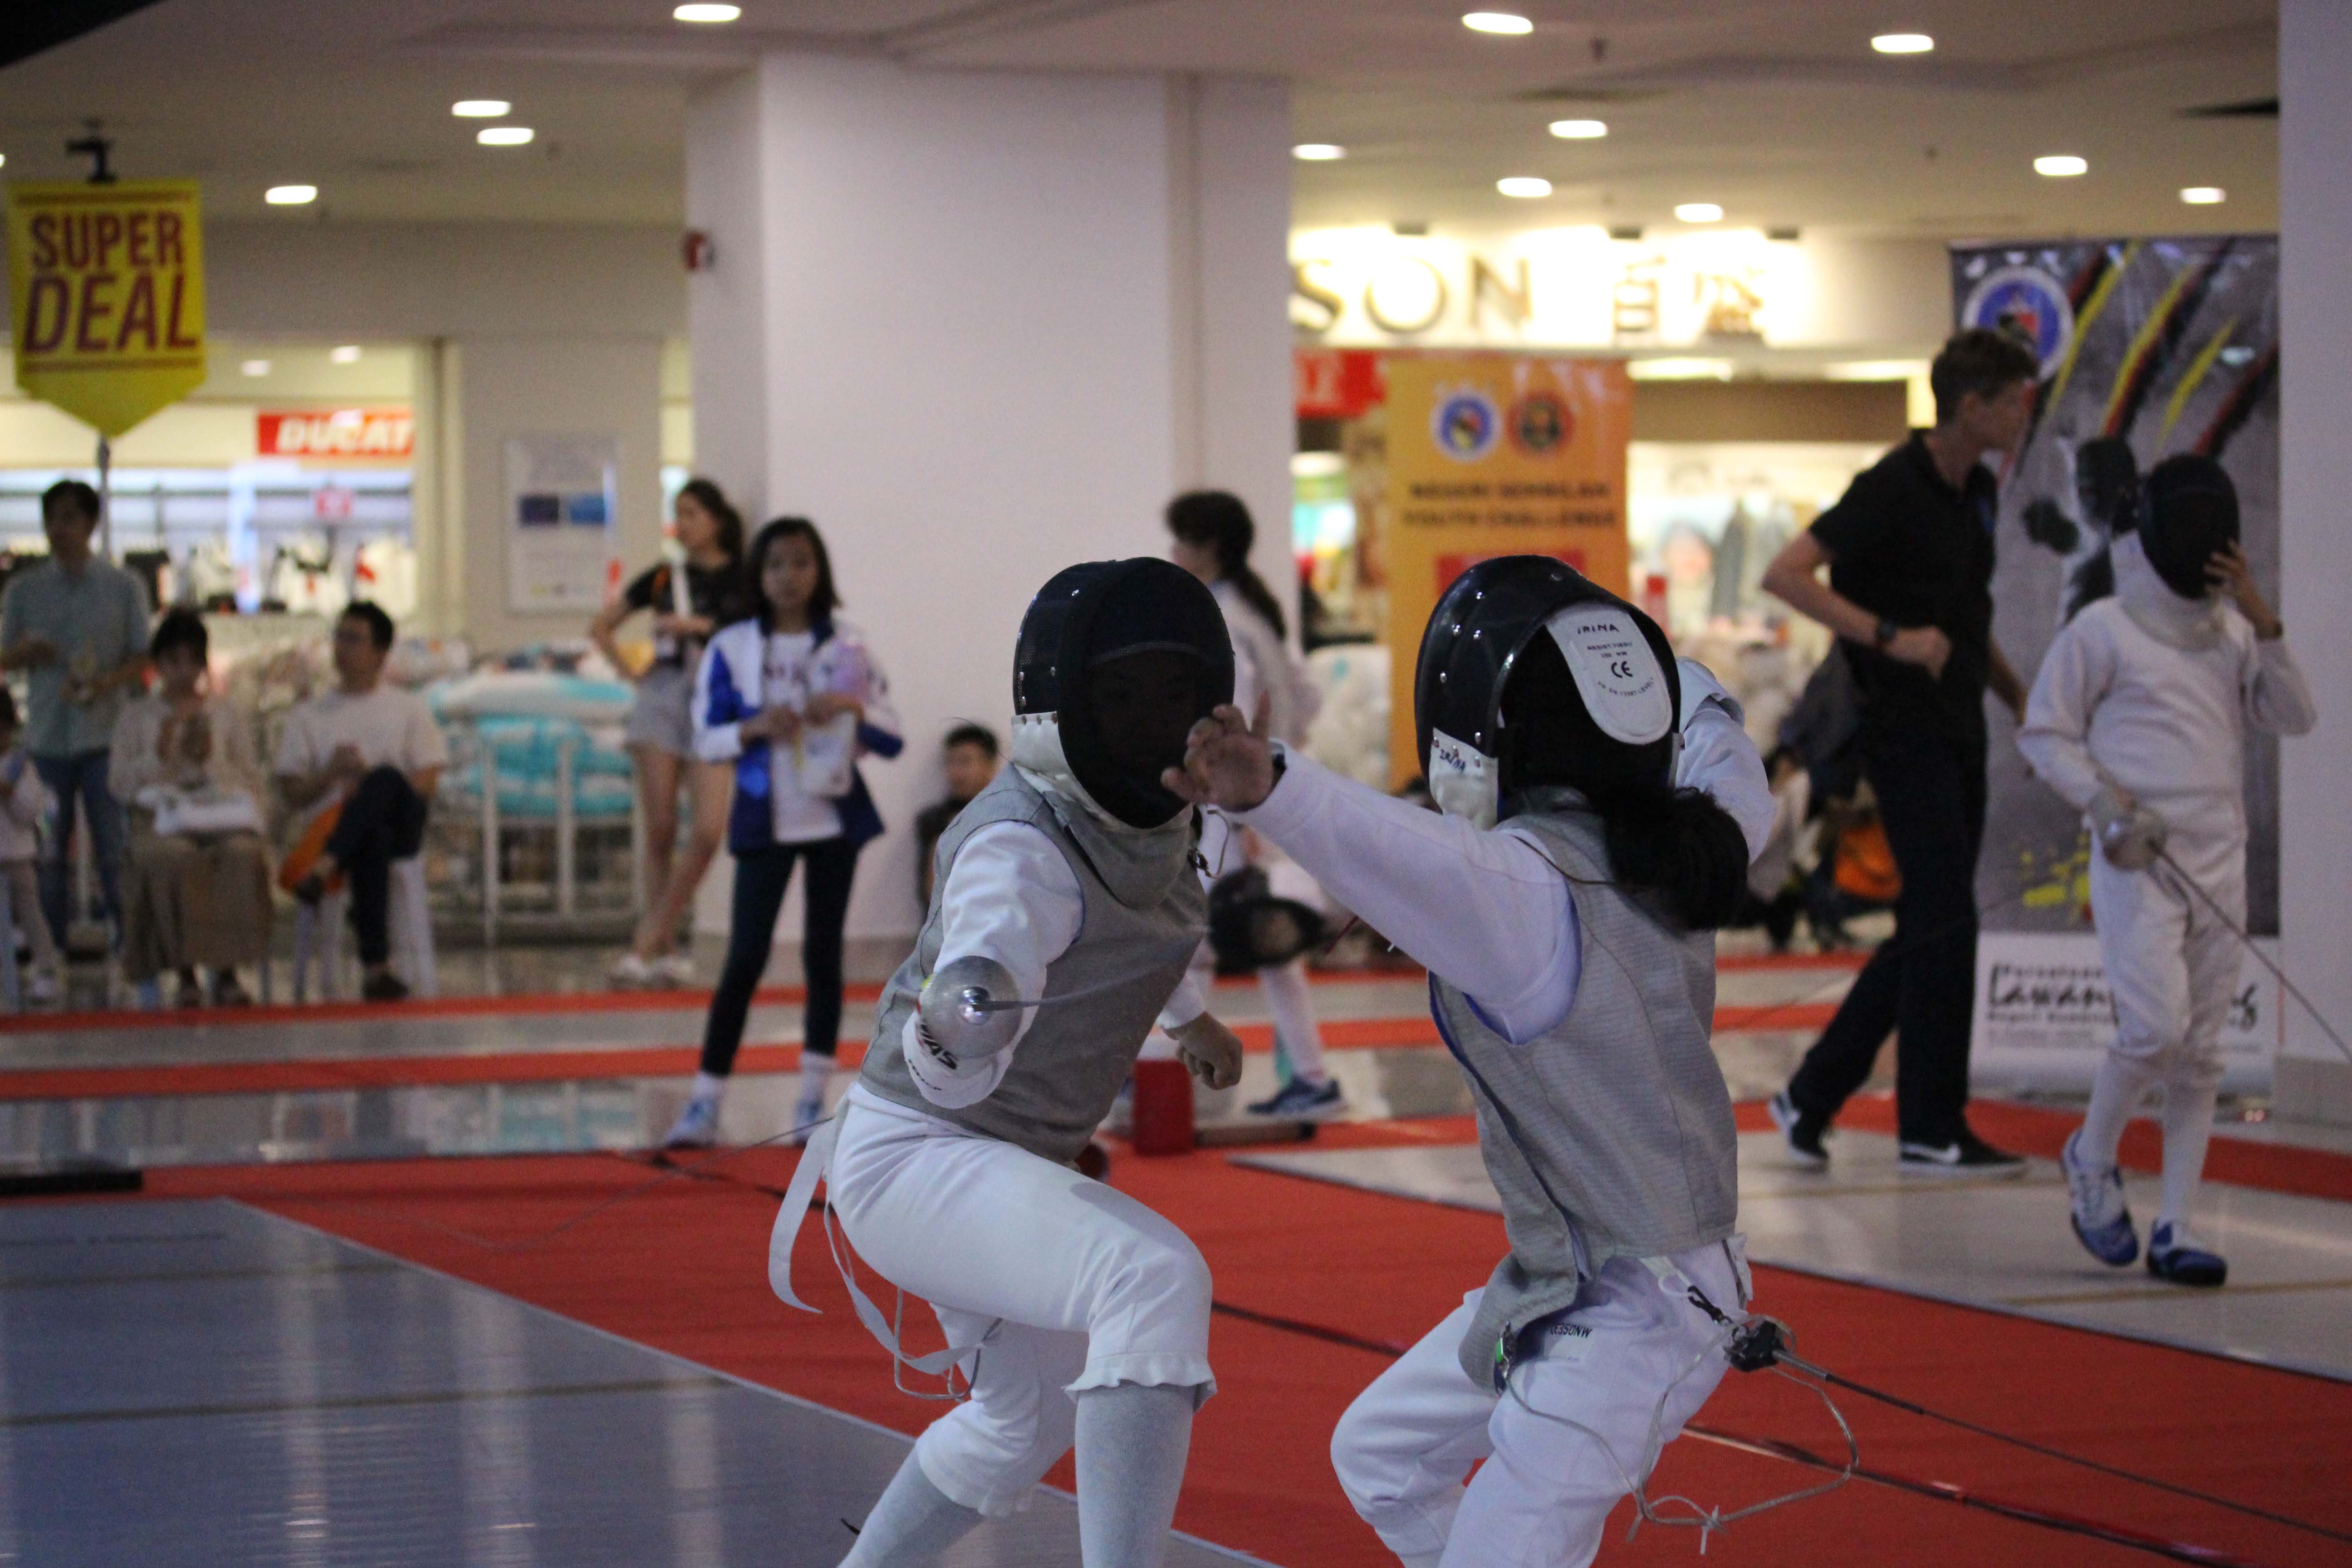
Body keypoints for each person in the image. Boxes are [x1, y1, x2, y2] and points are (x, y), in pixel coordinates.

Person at [1162, 558, 1766, 1568]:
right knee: (1381, 1455)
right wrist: (1680, 684)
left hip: (1642, 1308)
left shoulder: (1528, 888)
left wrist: (1270, 788)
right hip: (1567, 1276)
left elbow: (1405, 855)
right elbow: (1721, 744)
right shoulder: (1692, 835)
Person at [771, 556, 1248, 1568]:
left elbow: (1126, 923)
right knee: (1150, 1278)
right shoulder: (1018, 847)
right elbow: (993, 952)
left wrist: (1188, 1020)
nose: (1154, 720)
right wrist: (963, 1012)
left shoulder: (1154, 822)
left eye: (1172, 693)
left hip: (992, 1158)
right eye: (1125, 698)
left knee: (1019, 1420)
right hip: (918, 1157)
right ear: (1066, 707)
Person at [2019, 456, 2315, 1288]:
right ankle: (2090, 1155)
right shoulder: (2103, 629)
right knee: (2155, 1029)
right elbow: (2044, 732)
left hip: (2220, 857)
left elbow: (2295, 715)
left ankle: (2178, 1227)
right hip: (2135, 856)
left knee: (2201, 1054)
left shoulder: (2232, 634)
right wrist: (2102, 802)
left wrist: (2263, 619)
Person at [1761, 327, 2038, 1176]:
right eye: (2014, 400)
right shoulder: (1889, 486)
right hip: (1899, 728)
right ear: (1970, 405)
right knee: (1945, 919)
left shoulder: (1977, 491)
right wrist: (1888, 635)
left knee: (1933, 920)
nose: (2024, 415)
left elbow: (1967, 617)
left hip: (1960, 726)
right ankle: (1928, 1123)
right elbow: (1786, 575)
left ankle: (1812, 1094)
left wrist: (2019, 698)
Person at [663, 517, 902, 1149]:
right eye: (775, 565)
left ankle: (812, 1101)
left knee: (824, 957)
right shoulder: (732, 645)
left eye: (800, 563)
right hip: (764, 817)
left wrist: (850, 708)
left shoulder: (849, 645)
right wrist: (752, 728)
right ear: (758, 574)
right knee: (744, 958)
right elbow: (706, 738)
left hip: (833, 818)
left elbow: (891, 735)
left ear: (819, 571)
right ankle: (704, 1102)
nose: (788, 577)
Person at [1166, 489, 1341, 1118]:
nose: (1174, 552)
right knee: (1264, 942)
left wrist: (1241, 812)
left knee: (1201, 939)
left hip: (1237, 806)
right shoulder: (1254, 612)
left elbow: (1231, 723)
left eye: (1182, 540)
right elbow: (1306, 697)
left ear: (1209, 547)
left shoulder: (1225, 619)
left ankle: (1170, 1074)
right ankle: (1310, 1077)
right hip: (1264, 795)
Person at [588, 478, 753, 987]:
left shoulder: (745, 579)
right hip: (664, 695)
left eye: (692, 514)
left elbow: (751, 637)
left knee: (707, 830)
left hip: (716, 701)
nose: (682, 524)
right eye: (678, 514)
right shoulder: (663, 577)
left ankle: (650, 935)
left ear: (717, 520)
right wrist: (630, 672)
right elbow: (602, 625)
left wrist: (696, 627)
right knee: (659, 829)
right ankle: (662, 948)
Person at [0, 480, 151, 957]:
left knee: (113, 847)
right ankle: (50, 954)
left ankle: (129, 949)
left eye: (69, 517)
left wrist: (105, 682)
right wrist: (24, 652)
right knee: (45, 849)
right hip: (47, 738)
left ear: (91, 523)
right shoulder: (24, 589)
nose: (58, 529)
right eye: (51, 518)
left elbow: (143, 655)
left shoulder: (123, 586)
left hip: (106, 736)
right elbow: (3, 658)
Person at [278, 602, 450, 1003]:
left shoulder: (408, 707)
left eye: (354, 639)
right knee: (371, 836)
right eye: (339, 636)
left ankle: (327, 865)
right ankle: (377, 971)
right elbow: (291, 792)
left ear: (380, 652)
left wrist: (369, 784)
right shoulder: (309, 715)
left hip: (402, 820)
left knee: (384, 778)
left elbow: (426, 782)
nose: (342, 647)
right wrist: (331, 774)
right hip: (338, 824)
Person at [109, 610, 274, 1007]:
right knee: (173, 858)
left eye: (192, 661)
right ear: (159, 664)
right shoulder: (137, 716)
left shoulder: (225, 713)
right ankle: (186, 972)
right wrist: (161, 757)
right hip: (160, 819)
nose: (183, 672)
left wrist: (209, 765)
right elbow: (119, 784)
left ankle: (228, 969)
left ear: (203, 663)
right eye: (173, 661)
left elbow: (251, 776)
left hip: (219, 815)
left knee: (240, 855)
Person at [0, 691, 63, 1004]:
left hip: (16, 857)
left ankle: (46, 969)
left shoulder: (20, 767)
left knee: (30, 913)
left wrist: (10, 793)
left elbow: (31, 813)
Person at [912, 722, 1001, 906]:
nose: (956, 773)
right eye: (950, 762)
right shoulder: (935, 821)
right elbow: (934, 892)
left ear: (990, 765)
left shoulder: (1010, 818)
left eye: (965, 762)